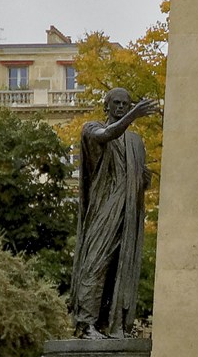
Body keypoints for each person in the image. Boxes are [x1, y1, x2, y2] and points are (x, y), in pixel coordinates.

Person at [68, 87, 160, 336]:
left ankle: (110, 324)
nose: (121, 107)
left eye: (126, 104)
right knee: (95, 263)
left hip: (127, 214)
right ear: (106, 106)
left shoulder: (135, 143)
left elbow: (138, 178)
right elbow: (107, 133)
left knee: (120, 268)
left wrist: (141, 179)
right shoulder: (91, 129)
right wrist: (133, 116)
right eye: (117, 103)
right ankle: (85, 324)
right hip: (102, 211)